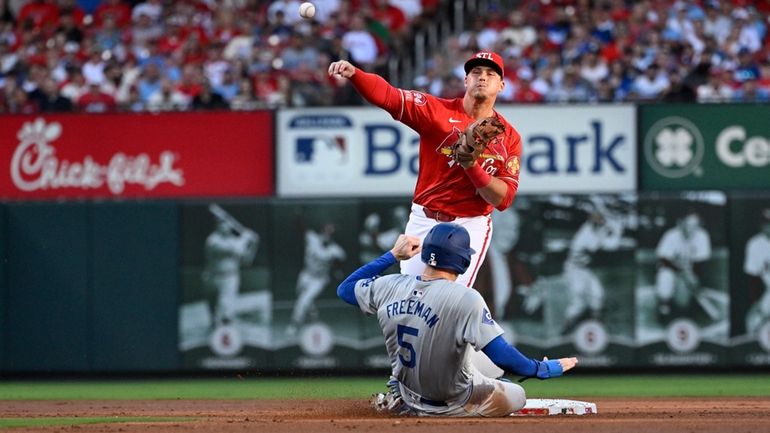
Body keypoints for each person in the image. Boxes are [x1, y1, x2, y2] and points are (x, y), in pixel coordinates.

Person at [336, 223, 577, 417]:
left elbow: (345, 289)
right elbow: (504, 356)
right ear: (462, 261)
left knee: (488, 366)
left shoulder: (390, 286)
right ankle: (476, 395)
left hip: (410, 391)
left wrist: (392, 255)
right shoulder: (465, 298)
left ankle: (399, 397)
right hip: (452, 403)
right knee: (517, 394)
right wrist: (544, 368)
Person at [328, 51, 522, 289]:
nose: (482, 77)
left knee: (449, 299)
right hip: (425, 219)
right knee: (412, 296)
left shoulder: (509, 137)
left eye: (490, 74)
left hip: (470, 224)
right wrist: (356, 74)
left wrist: (471, 166)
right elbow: (390, 96)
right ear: (465, 80)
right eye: (475, 72)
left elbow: (503, 200)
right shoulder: (436, 111)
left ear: (501, 85)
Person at [561, 200, 623, 333]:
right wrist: (616, 231)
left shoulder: (595, 227)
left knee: (597, 294)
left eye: (599, 215)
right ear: (590, 218)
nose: (600, 218)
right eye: (596, 215)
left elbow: (605, 223)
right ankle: (566, 328)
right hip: (574, 270)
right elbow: (609, 247)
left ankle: (595, 326)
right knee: (578, 303)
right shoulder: (586, 235)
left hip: (585, 270)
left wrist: (611, 224)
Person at [202, 207, 259, 327]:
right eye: (221, 224)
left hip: (230, 278)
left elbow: (247, 261)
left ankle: (226, 327)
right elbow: (236, 249)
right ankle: (213, 324)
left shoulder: (234, 240)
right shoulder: (212, 241)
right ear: (216, 226)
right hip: (212, 277)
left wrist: (254, 245)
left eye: (226, 224)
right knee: (212, 308)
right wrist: (246, 237)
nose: (224, 227)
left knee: (226, 310)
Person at [287, 222, 347, 336]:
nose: (328, 234)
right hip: (305, 274)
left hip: (319, 279)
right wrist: (298, 216)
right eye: (326, 231)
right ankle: (313, 316)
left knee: (303, 301)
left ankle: (294, 325)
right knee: (302, 297)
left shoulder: (335, 249)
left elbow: (341, 261)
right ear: (322, 230)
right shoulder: (312, 238)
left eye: (331, 232)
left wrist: (338, 270)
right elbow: (300, 228)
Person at [654, 209, 712, 324]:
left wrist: (694, 279)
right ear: (681, 223)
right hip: (671, 269)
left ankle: (693, 299)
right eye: (689, 224)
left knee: (683, 304)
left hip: (689, 270)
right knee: (664, 278)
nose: (692, 229)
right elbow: (663, 259)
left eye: (695, 225)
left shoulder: (702, 236)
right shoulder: (671, 235)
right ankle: (664, 306)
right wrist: (681, 270)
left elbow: (702, 263)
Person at [744, 208, 770, 334]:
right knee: (753, 322)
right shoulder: (755, 244)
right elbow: (752, 277)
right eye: (766, 223)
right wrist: (756, 303)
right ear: (761, 225)